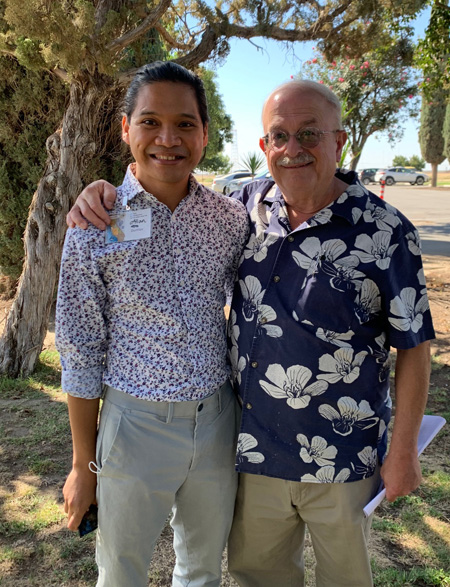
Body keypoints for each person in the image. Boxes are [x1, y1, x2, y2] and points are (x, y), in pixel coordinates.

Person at [68, 80, 434, 587]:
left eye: (310, 135)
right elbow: (84, 341)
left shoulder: (383, 229)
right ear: (263, 147)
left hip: (341, 455)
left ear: (339, 142)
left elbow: (415, 345)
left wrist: (404, 451)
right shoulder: (247, 206)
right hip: (252, 448)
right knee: (250, 575)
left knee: (338, 578)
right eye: (279, 136)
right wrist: (99, 191)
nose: (293, 149)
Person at [56, 61, 249, 587]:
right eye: (150, 122)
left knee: (204, 570)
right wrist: (81, 464)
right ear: (126, 129)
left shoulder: (231, 220)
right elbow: (79, 348)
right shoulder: (96, 226)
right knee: (121, 573)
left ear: (206, 135)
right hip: (132, 428)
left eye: (186, 123)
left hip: (217, 423)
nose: (168, 138)